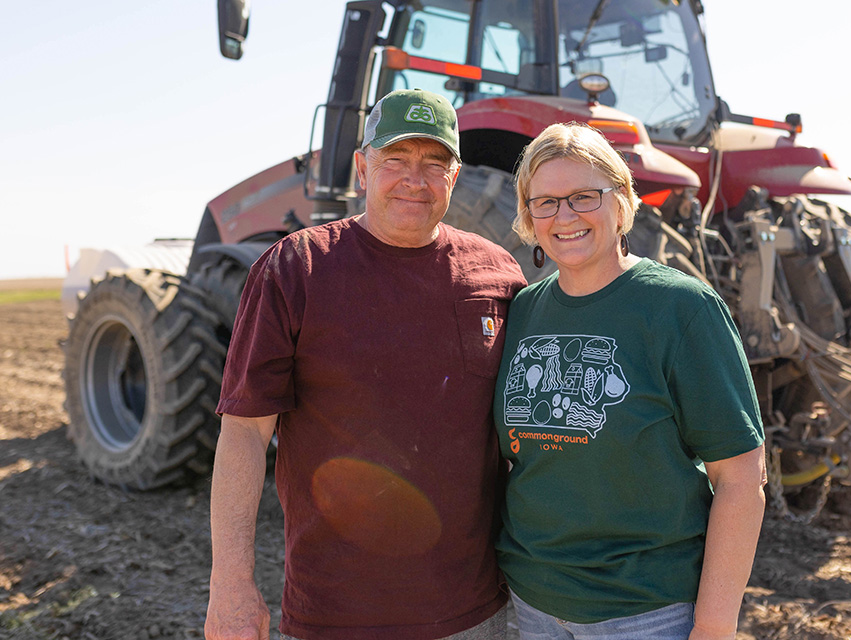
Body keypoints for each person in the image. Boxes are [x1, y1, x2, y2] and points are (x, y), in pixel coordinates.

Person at [204, 89, 527, 640]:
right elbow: (244, 433)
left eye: (434, 164)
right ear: (362, 168)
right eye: (395, 161)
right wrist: (230, 584)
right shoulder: (295, 270)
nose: (414, 179)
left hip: (476, 611)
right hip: (336, 614)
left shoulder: (498, 274)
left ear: (455, 175)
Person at [493, 122, 766, 640]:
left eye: (582, 196)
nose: (564, 216)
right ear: (529, 217)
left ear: (620, 202)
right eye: (544, 202)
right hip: (531, 602)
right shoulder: (525, 311)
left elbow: (741, 479)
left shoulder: (680, 308)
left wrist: (713, 625)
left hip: (645, 611)